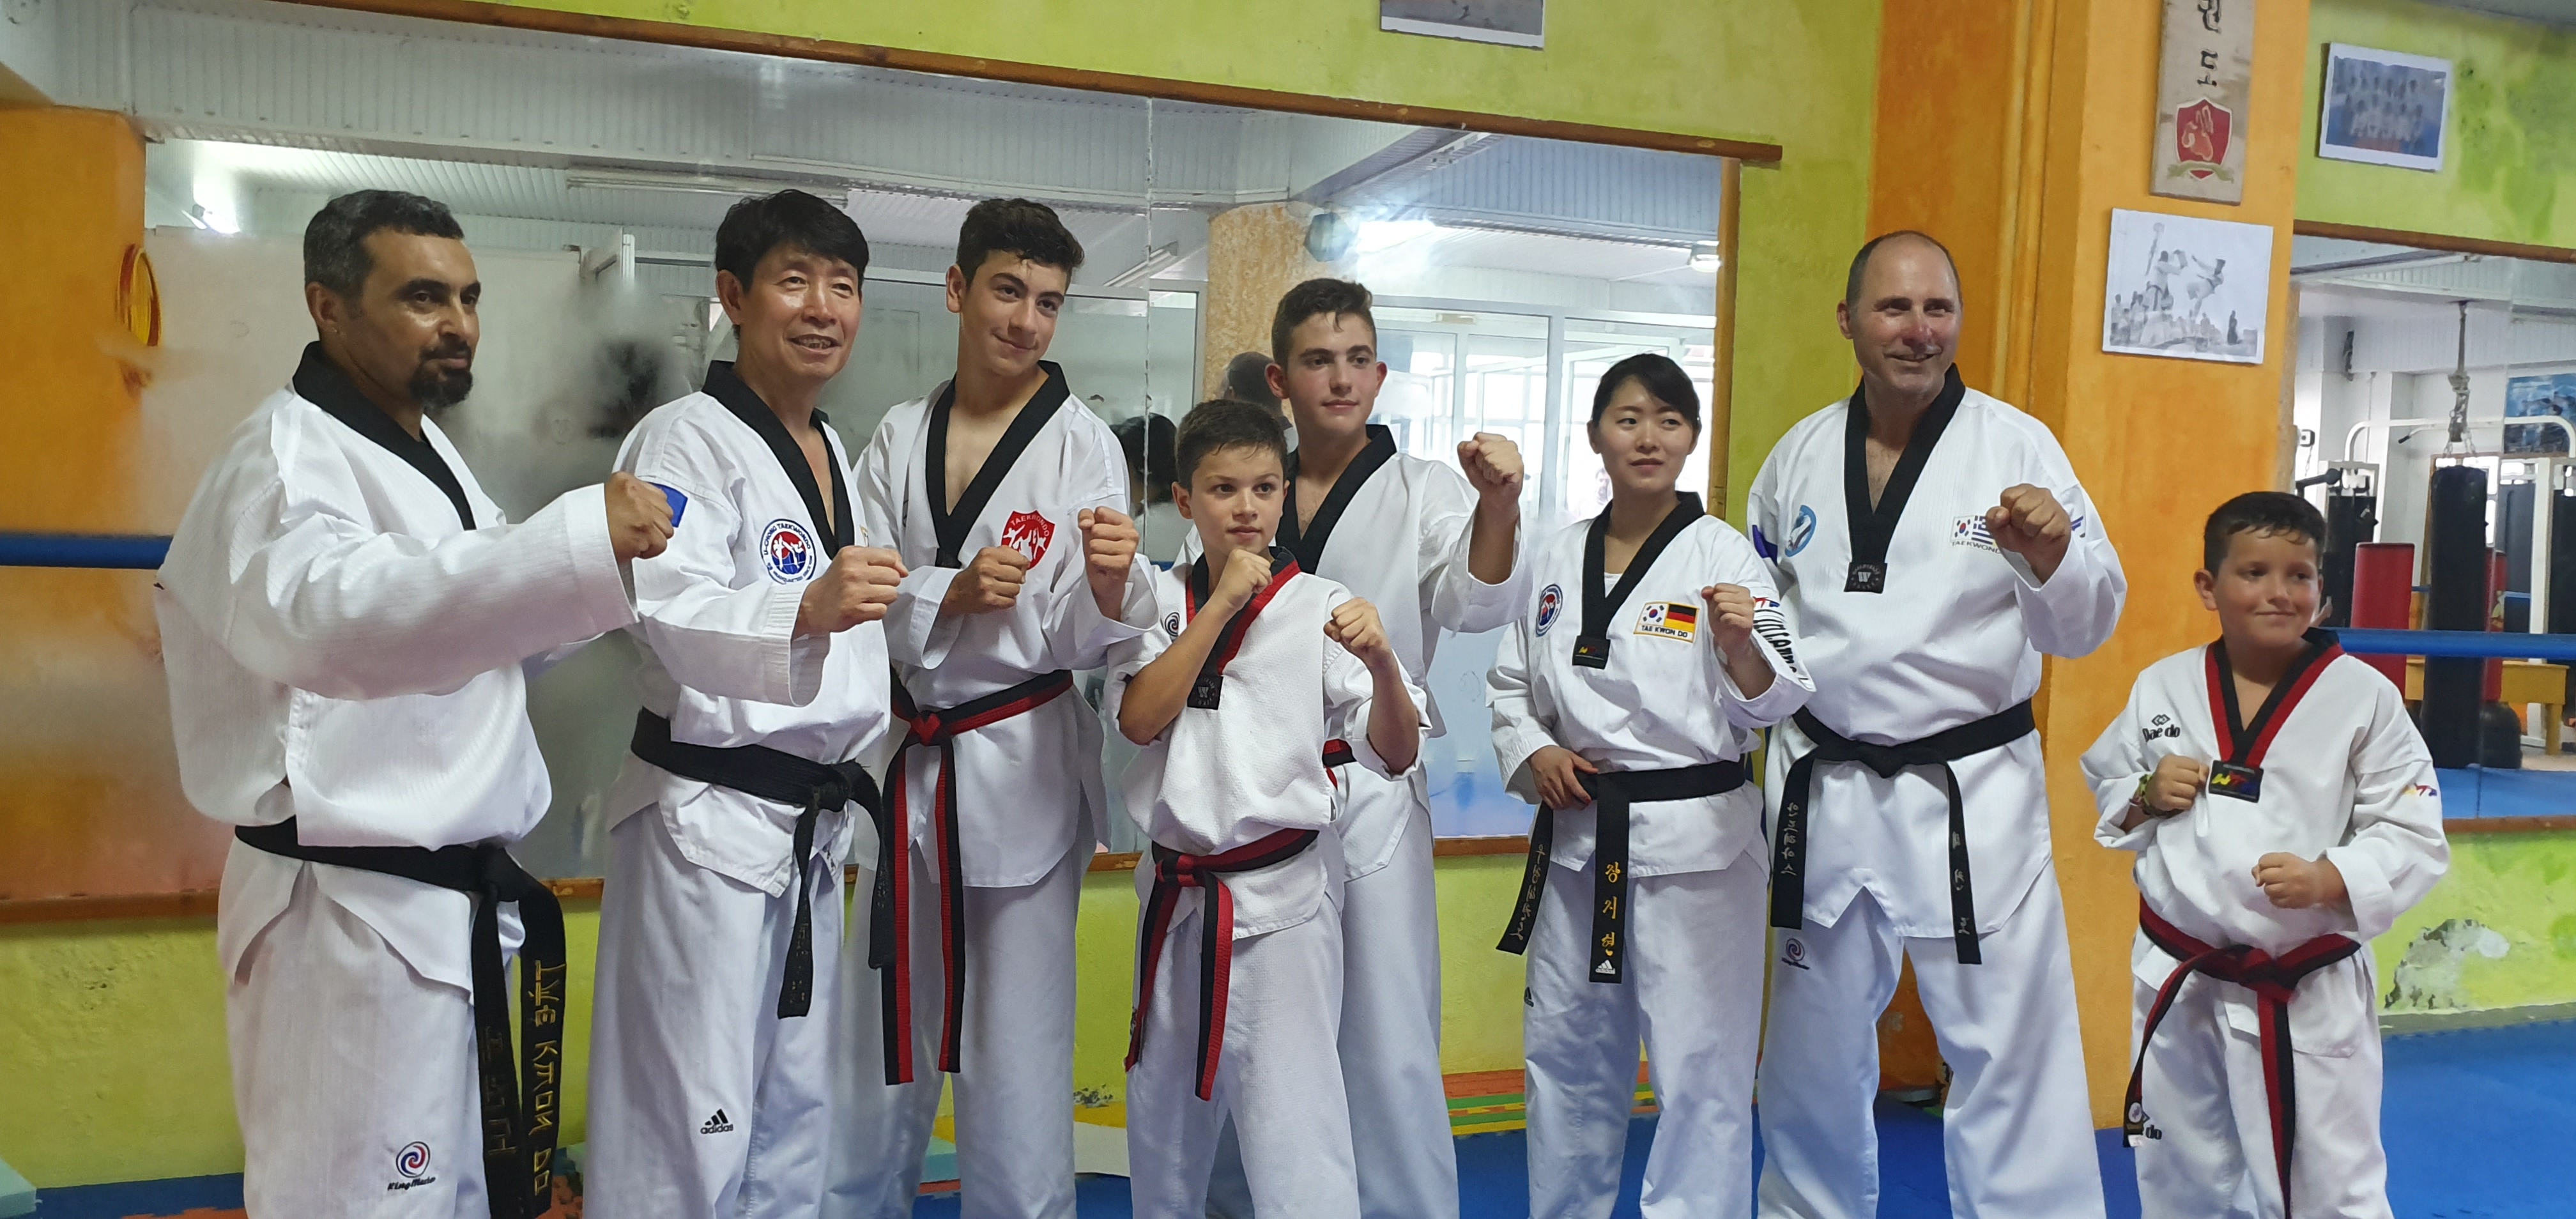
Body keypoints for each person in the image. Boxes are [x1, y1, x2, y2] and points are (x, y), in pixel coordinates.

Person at [154, 189, 671, 1219]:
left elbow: (473, 634)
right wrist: (564, 544)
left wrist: (597, 572)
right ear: (328, 306)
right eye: (423, 298)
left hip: (438, 916)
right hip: (348, 920)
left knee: (450, 1200)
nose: (459, 324)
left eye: (469, 299)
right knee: (363, 1204)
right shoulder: (286, 461)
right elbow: (339, 623)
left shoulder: (424, 454)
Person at [1747, 231, 2126, 1219]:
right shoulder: (1796, 456)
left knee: (2009, 1050)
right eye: (1894, 308)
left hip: (1969, 794)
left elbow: (2086, 626)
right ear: (1848, 320)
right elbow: (1765, 615)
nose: (1919, 330)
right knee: (1810, 1052)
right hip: (1825, 786)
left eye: (1938, 309)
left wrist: (2053, 558)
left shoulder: (2017, 449)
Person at [585, 190, 909, 1216]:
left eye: (843, 287)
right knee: (692, 1116)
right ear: (732, 296)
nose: (823, 309)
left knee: (792, 1117)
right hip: (708, 822)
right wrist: (803, 610)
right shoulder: (680, 441)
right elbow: (666, 609)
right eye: (794, 281)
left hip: (804, 828)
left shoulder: (833, 450)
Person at [827, 197, 1153, 1219]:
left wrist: (1114, 587)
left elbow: (1091, 635)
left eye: (1048, 302)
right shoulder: (898, 434)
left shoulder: (1084, 448)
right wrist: (950, 593)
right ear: (959, 290)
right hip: (910, 765)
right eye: (1008, 292)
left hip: (1019, 765)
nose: (1026, 321)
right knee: (878, 1041)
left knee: (1017, 1052)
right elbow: (858, 592)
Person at [1185, 277, 1526, 1219]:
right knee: (1252, 1023)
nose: (1340, 379)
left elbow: (1475, 602)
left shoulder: (1425, 488)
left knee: (1386, 1028)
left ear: (1379, 376)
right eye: (1318, 361)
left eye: (1358, 360)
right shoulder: (1252, 483)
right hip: (1254, 789)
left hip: (1370, 778)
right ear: (1279, 380)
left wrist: (1499, 506)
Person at [1489, 354, 1812, 1218]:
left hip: (1697, 851)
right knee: (1567, 1059)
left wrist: (1741, 648)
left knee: (1700, 1066)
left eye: (1669, 421)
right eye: (1628, 419)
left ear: (1692, 438)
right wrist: (1535, 751)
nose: (1648, 438)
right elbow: (1510, 686)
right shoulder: (1556, 555)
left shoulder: (1724, 556)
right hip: (1579, 841)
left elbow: (1782, 694)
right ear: (1597, 435)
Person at [2083, 492, 2448, 1219]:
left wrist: (2330, 877)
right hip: (2181, 969)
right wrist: (2148, 794)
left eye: (2299, 575)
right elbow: (2110, 782)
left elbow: (2413, 830)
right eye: (2254, 573)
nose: (2280, 592)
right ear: (2209, 587)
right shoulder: (2163, 684)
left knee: (2331, 1176)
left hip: (2302, 981)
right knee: (2181, 1169)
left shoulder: (2366, 698)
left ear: (2322, 589)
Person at [1107, 397, 1426, 1218]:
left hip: (1284, 906)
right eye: (1223, 490)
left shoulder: (1322, 605)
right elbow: (1140, 720)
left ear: (1284, 494)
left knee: (1296, 1127)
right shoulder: (1156, 603)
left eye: (1263, 488)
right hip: (1178, 899)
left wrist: (1383, 663)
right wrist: (1218, 606)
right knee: (1163, 1132)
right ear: (1185, 500)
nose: (1245, 508)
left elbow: (1395, 753)